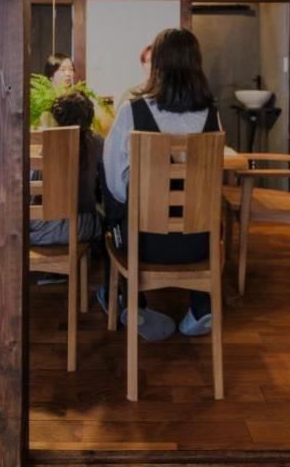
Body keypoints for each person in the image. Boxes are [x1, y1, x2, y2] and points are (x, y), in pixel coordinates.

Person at [101, 28, 220, 341]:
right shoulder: (212, 114)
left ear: (157, 66)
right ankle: (201, 307)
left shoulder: (132, 111)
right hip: (199, 243)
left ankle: (133, 304)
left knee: (114, 214)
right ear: (197, 65)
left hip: (145, 243)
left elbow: (114, 183)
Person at [31, 91, 105, 249]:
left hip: (45, 226)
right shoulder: (97, 142)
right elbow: (107, 187)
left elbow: (32, 192)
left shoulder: (48, 144)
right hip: (81, 227)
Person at [114, 44, 153, 115]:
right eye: (148, 61)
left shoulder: (171, 94)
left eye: (156, 61)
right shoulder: (131, 94)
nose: (152, 65)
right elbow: (120, 119)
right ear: (143, 65)